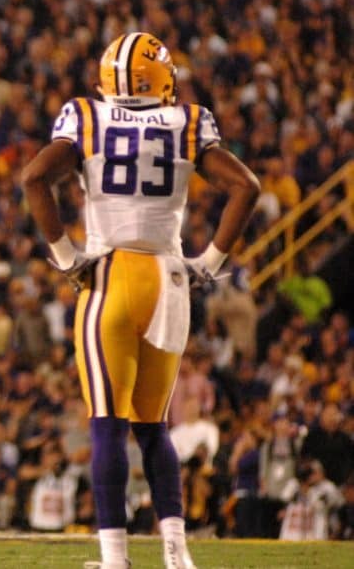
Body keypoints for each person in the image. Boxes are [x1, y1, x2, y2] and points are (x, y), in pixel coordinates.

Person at [23, 33, 259, 569]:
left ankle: (115, 560)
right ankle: (176, 554)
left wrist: (65, 256)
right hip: (169, 281)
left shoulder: (85, 117)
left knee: (108, 422)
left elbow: (35, 177)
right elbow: (246, 186)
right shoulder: (187, 121)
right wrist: (210, 263)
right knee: (154, 427)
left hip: (110, 275)